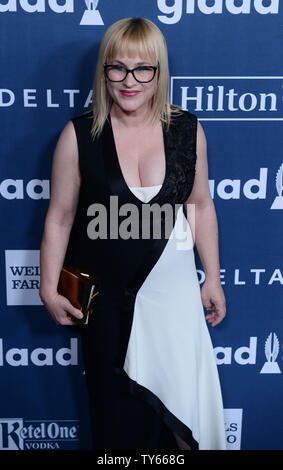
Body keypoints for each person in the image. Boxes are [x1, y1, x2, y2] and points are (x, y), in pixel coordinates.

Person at [39, 17, 227, 451]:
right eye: (117, 68)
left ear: (159, 73)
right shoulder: (78, 135)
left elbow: (199, 205)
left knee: (182, 427)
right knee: (117, 426)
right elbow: (60, 217)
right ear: (103, 71)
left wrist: (212, 277)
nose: (130, 81)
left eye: (143, 69)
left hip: (174, 302)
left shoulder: (186, 130)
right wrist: (49, 287)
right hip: (108, 305)